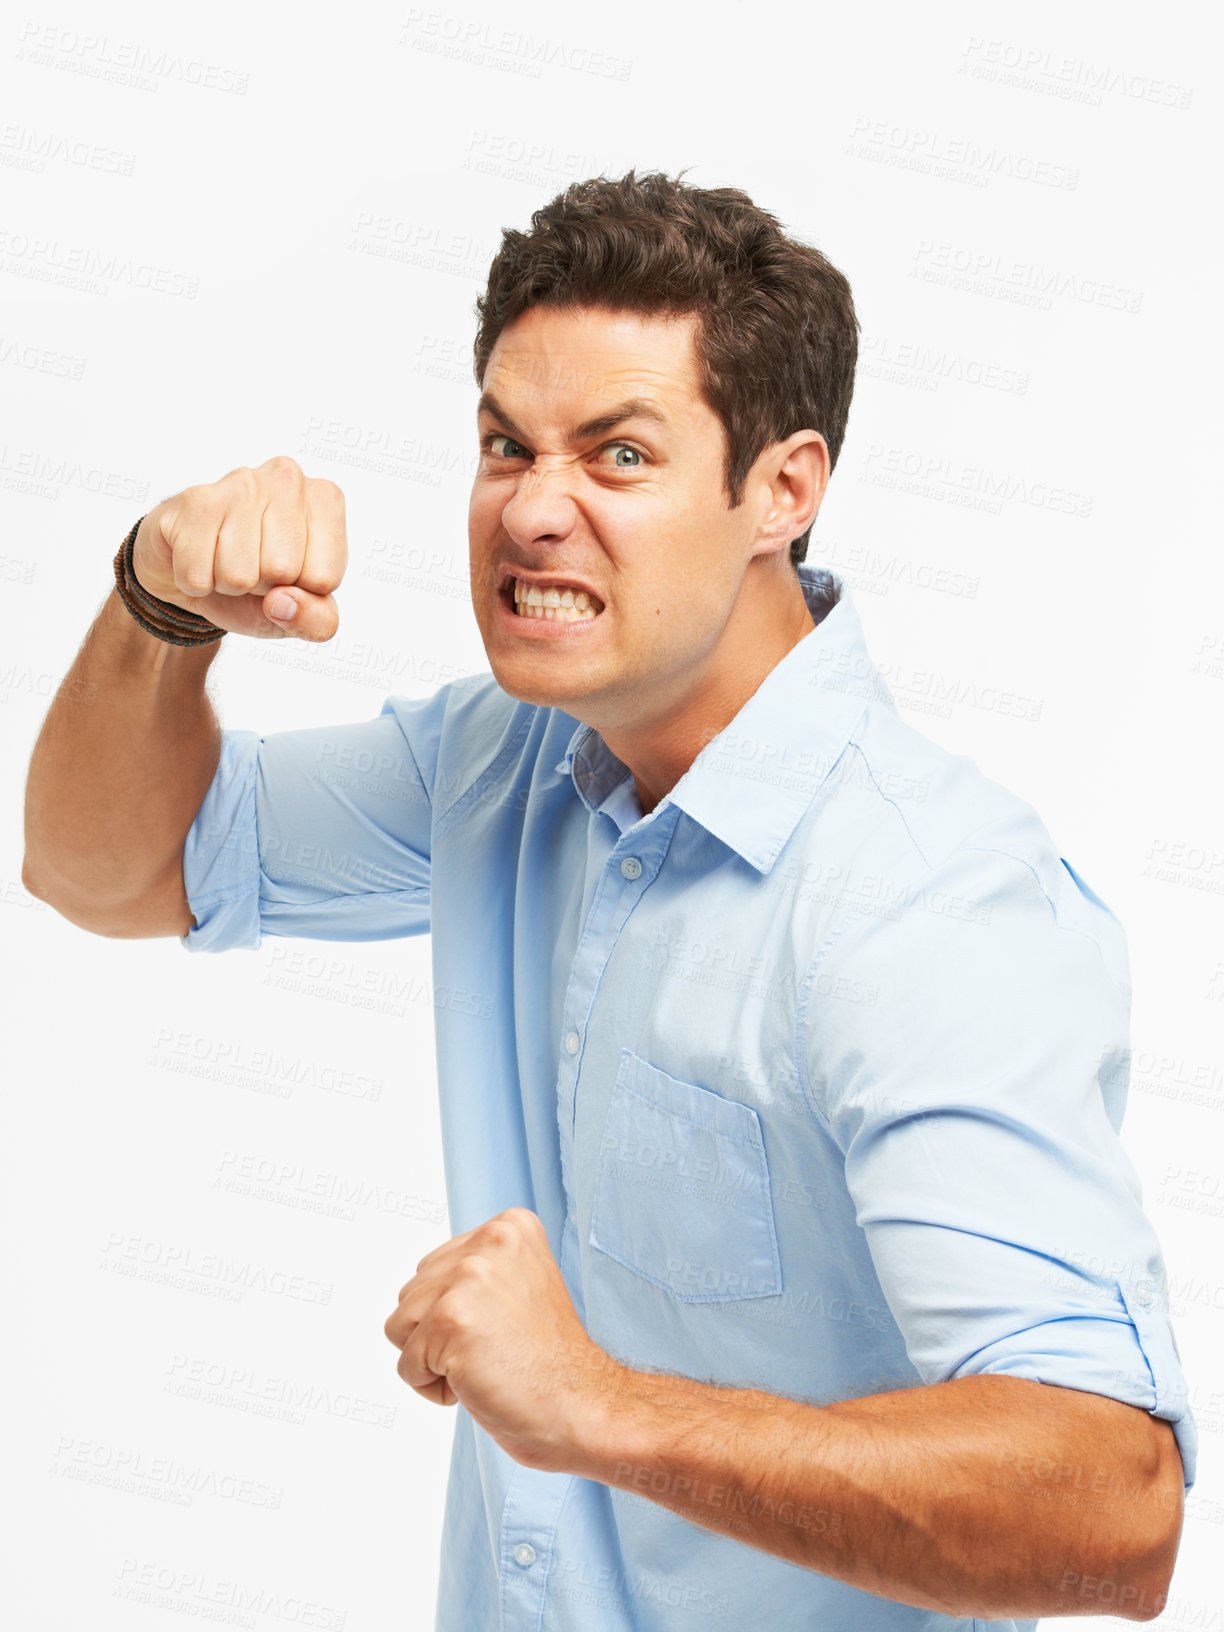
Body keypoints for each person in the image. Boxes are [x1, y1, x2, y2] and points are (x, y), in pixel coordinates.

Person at [22, 170, 1195, 1631]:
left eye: (617, 456)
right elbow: (103, 868)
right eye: (506, 445)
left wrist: (602, 1407)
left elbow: (1114, 1513)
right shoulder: (499, 762)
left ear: (784, 489)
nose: (532, 510)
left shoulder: (926, 904)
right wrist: (157, 606)